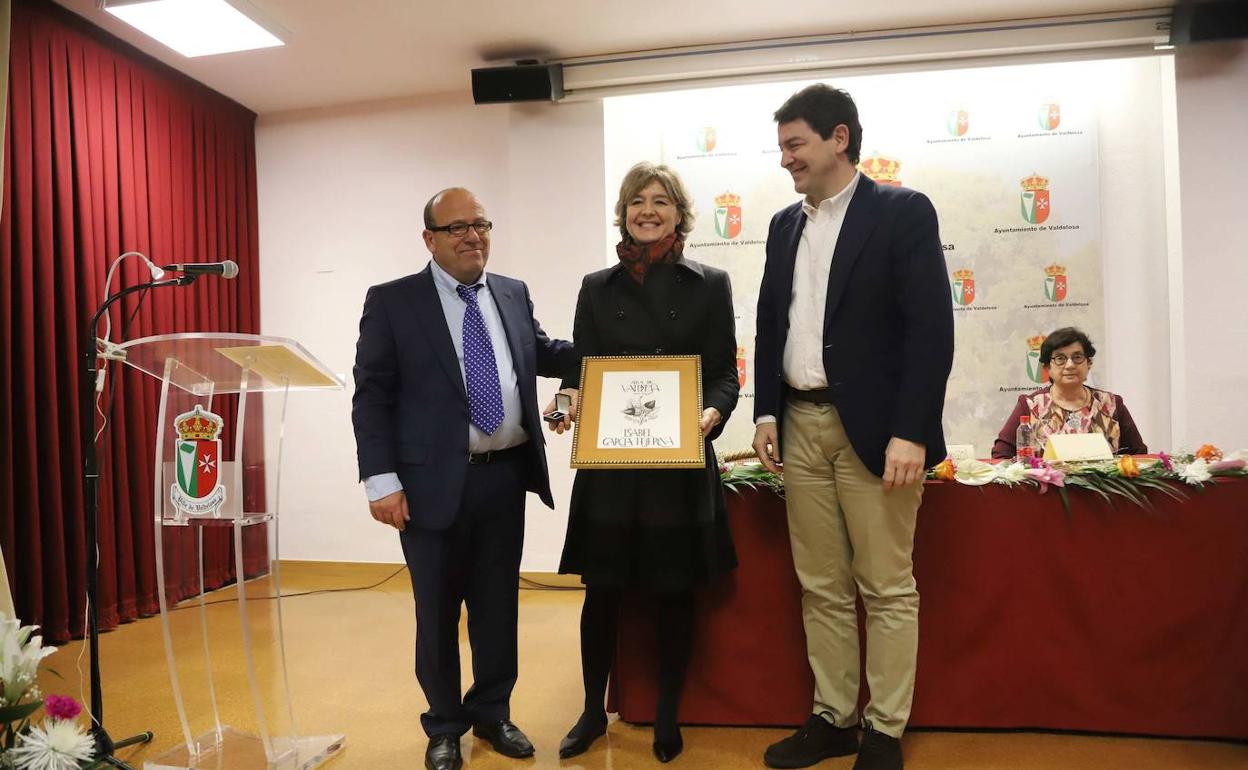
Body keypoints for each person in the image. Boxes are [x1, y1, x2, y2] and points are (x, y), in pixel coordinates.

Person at [751, 84, 954, 770]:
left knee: (886, 586)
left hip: (878, 434)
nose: (786, 160)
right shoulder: (785, 225)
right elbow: (769, 322)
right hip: (800, 427)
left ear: (840, 138)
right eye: (781, 148)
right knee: (821, 585)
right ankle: (834, 717)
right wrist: (765, 410)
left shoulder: (901, 213)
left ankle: (885, 728)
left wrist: (912, 430)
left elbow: (931, 332)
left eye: (795, 144)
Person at [351, 187, 575, 770]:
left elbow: (541, 351)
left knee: (499, 606)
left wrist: (616, 351)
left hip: (504, 479)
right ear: (429, 239)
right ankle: (445, 725)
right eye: (456, 228)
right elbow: (372, 397)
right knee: (438, 611)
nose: (472, 236)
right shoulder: (394, 302)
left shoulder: (510, 292)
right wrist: (380, 479)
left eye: (480, 224)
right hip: (429, 489)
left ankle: (493, 711)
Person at [546, 162, 739, 764]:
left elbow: (725, 374)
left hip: (678, 462)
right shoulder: (596, 287)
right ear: (624, 212)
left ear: (679, 212)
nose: (647, 210)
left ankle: (666, 711)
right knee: (601, 591)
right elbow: (580, 369)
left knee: (671, 591)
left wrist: (711, 413)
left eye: (660, 201)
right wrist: (567, 400)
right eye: (636, 202)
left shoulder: (710, 282)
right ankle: (588, 710)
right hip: (611, 465)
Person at [992, 326, 1146, 459]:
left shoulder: (1111, 405)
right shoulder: (1031, 406)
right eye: (1060, 358)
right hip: (1046, 492)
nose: (1070, 365)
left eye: (1077, 357)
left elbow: (1139, 456)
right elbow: (1001, 455)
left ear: (1089, 363)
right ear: (1047, 367)